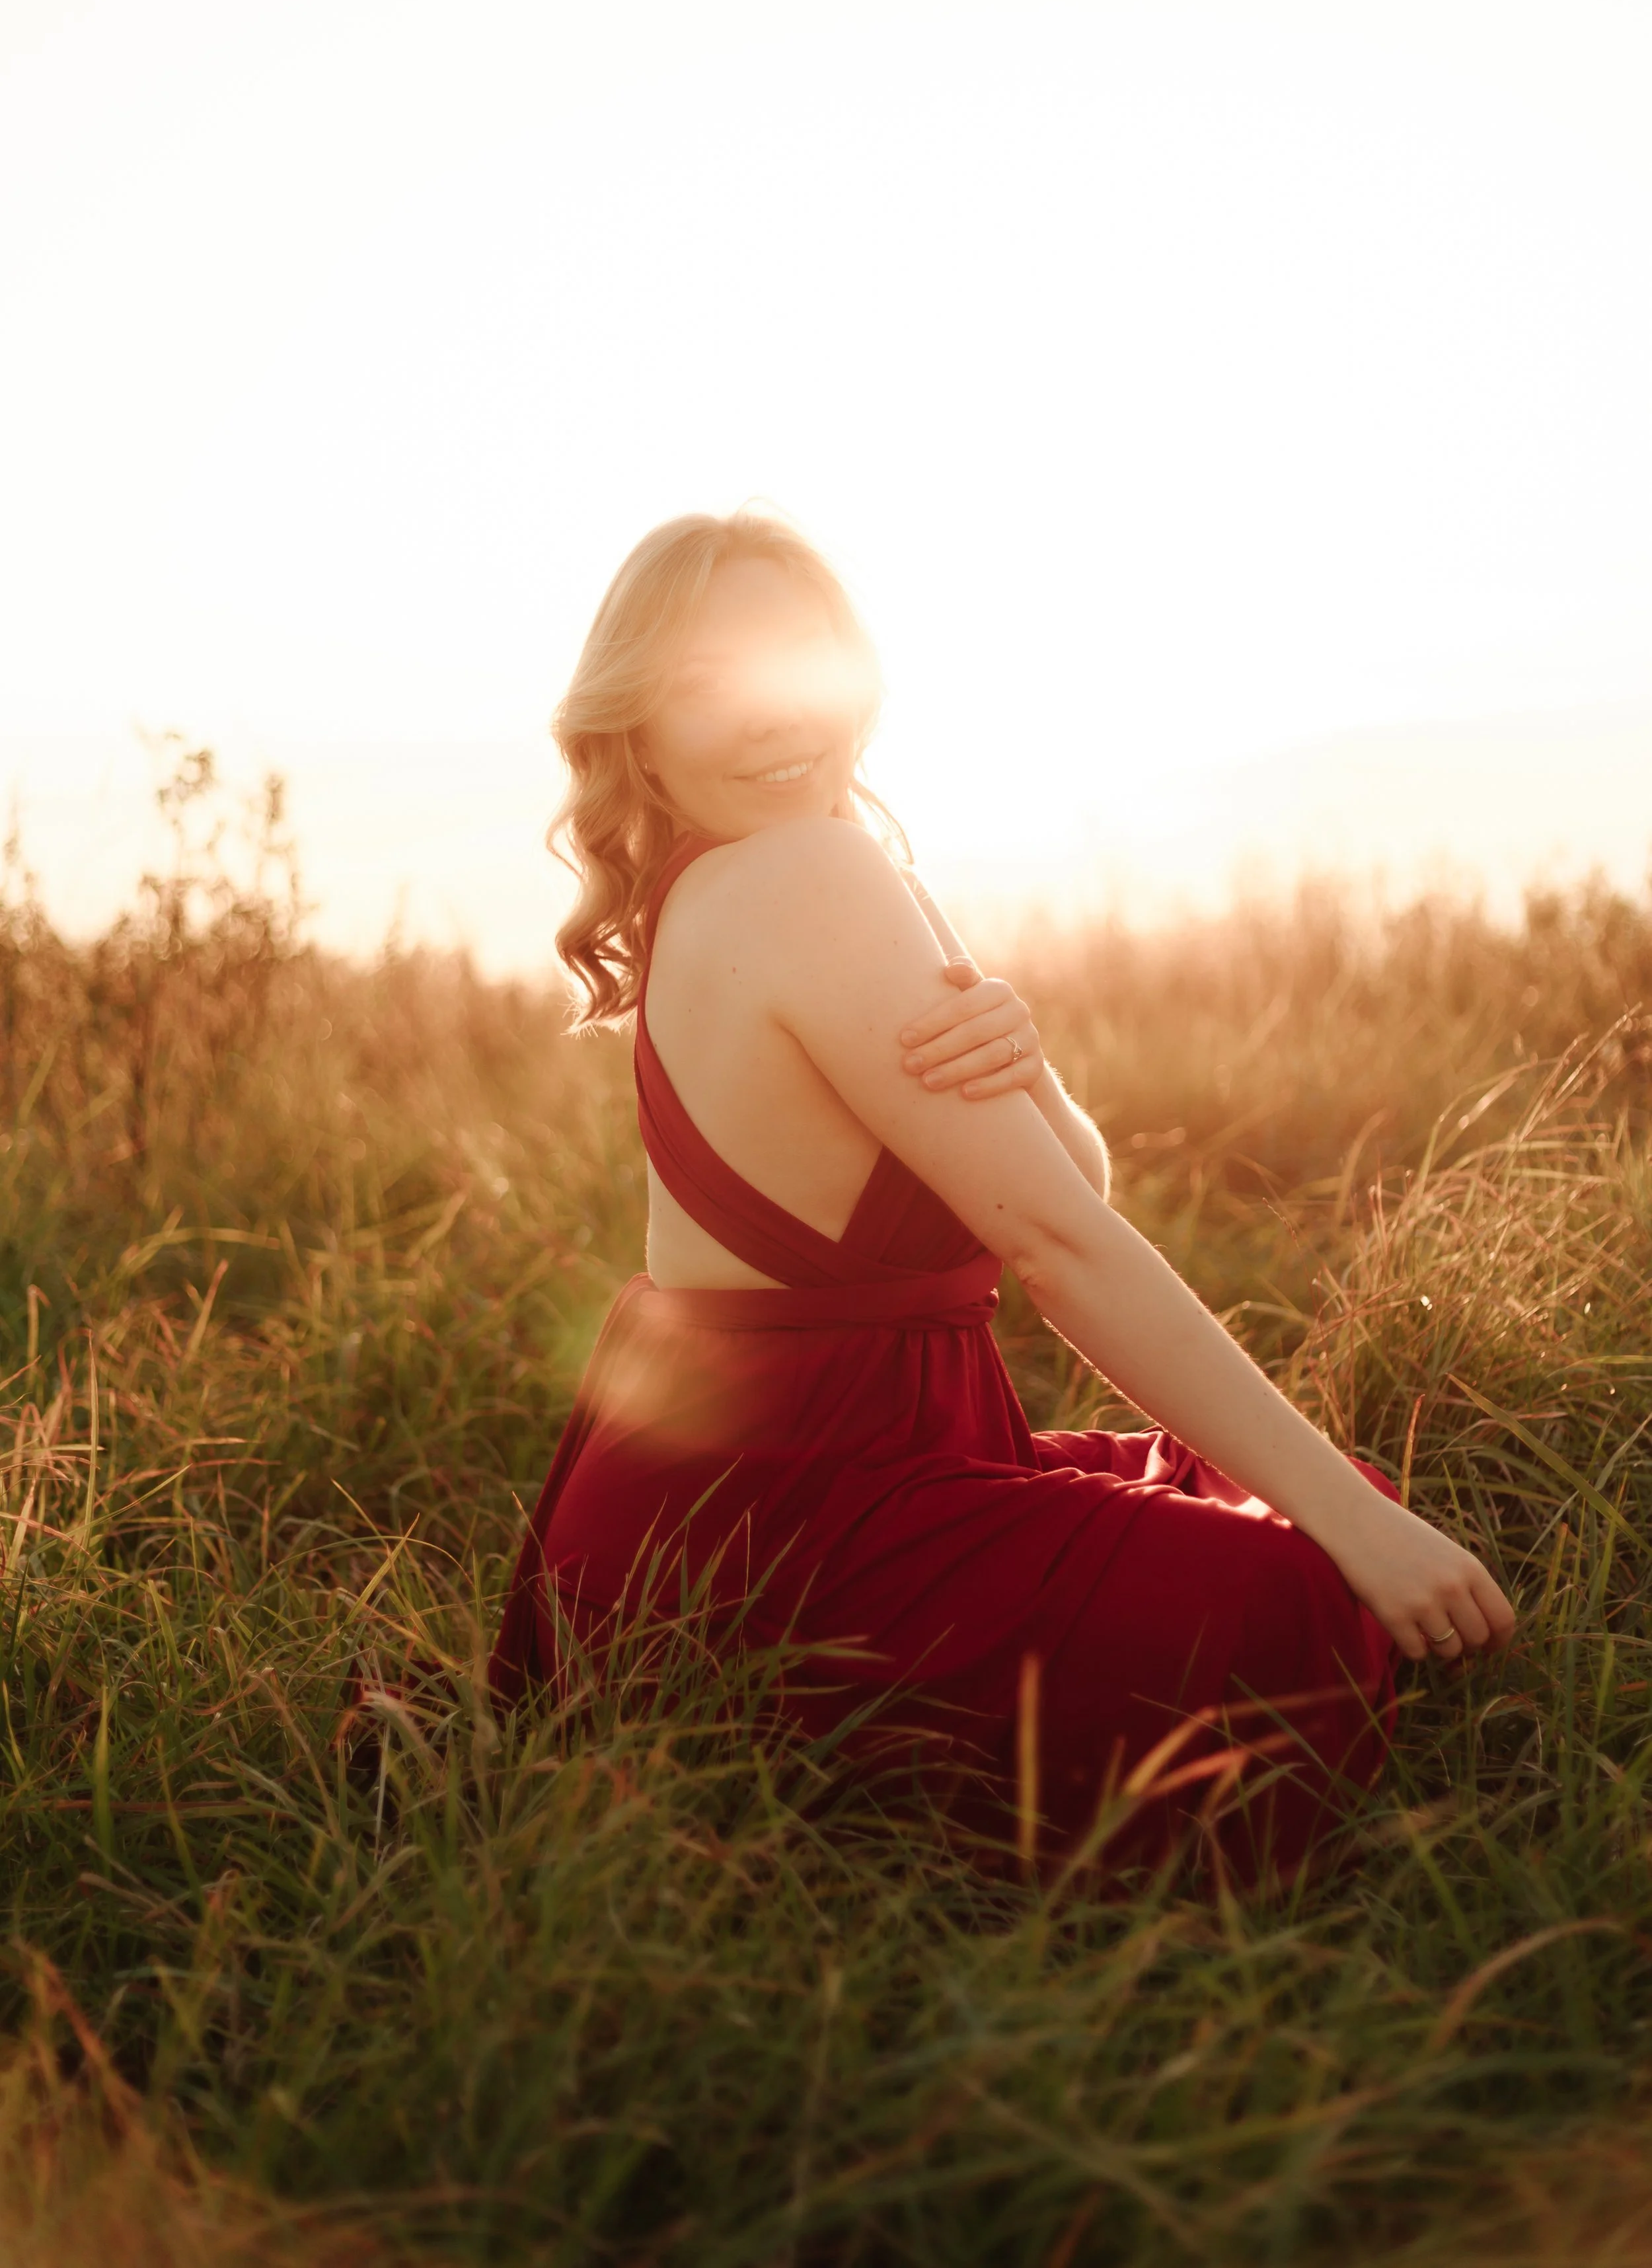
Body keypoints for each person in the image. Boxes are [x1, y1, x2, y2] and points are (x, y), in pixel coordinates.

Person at [490, 511, 1515, 1881]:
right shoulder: (805, 871)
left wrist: (1029, 1067)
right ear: (639, 726)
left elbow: (1065, 1178)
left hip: (754, 1505)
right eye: (709, 683)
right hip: (787, 1534)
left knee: (1307, 1510)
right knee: (1315, 1571)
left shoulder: (786, 869)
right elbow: (1055, 1240)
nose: (774, 716)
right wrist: (1360, 1526)